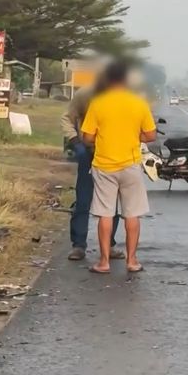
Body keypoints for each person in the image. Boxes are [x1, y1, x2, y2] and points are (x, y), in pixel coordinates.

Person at [80, 61, 157, 274]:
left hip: (104, 165)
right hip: (130, 165)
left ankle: (104, 262)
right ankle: (132, 261)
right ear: (126, 79)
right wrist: (135, 136)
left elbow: (87, 137)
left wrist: (101, 138)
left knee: (105, 214)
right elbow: (151, 135)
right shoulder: (139, 103)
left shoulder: (98, 103)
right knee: (132, 215)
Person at [60, 79, 123, 261]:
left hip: (112, 155)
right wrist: (75, 141)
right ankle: (78, 245)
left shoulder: (122, 97)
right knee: (83, 199)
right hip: (88, 154)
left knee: (110, 202)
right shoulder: (85, 94)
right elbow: (67, 118)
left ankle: (109, 244)